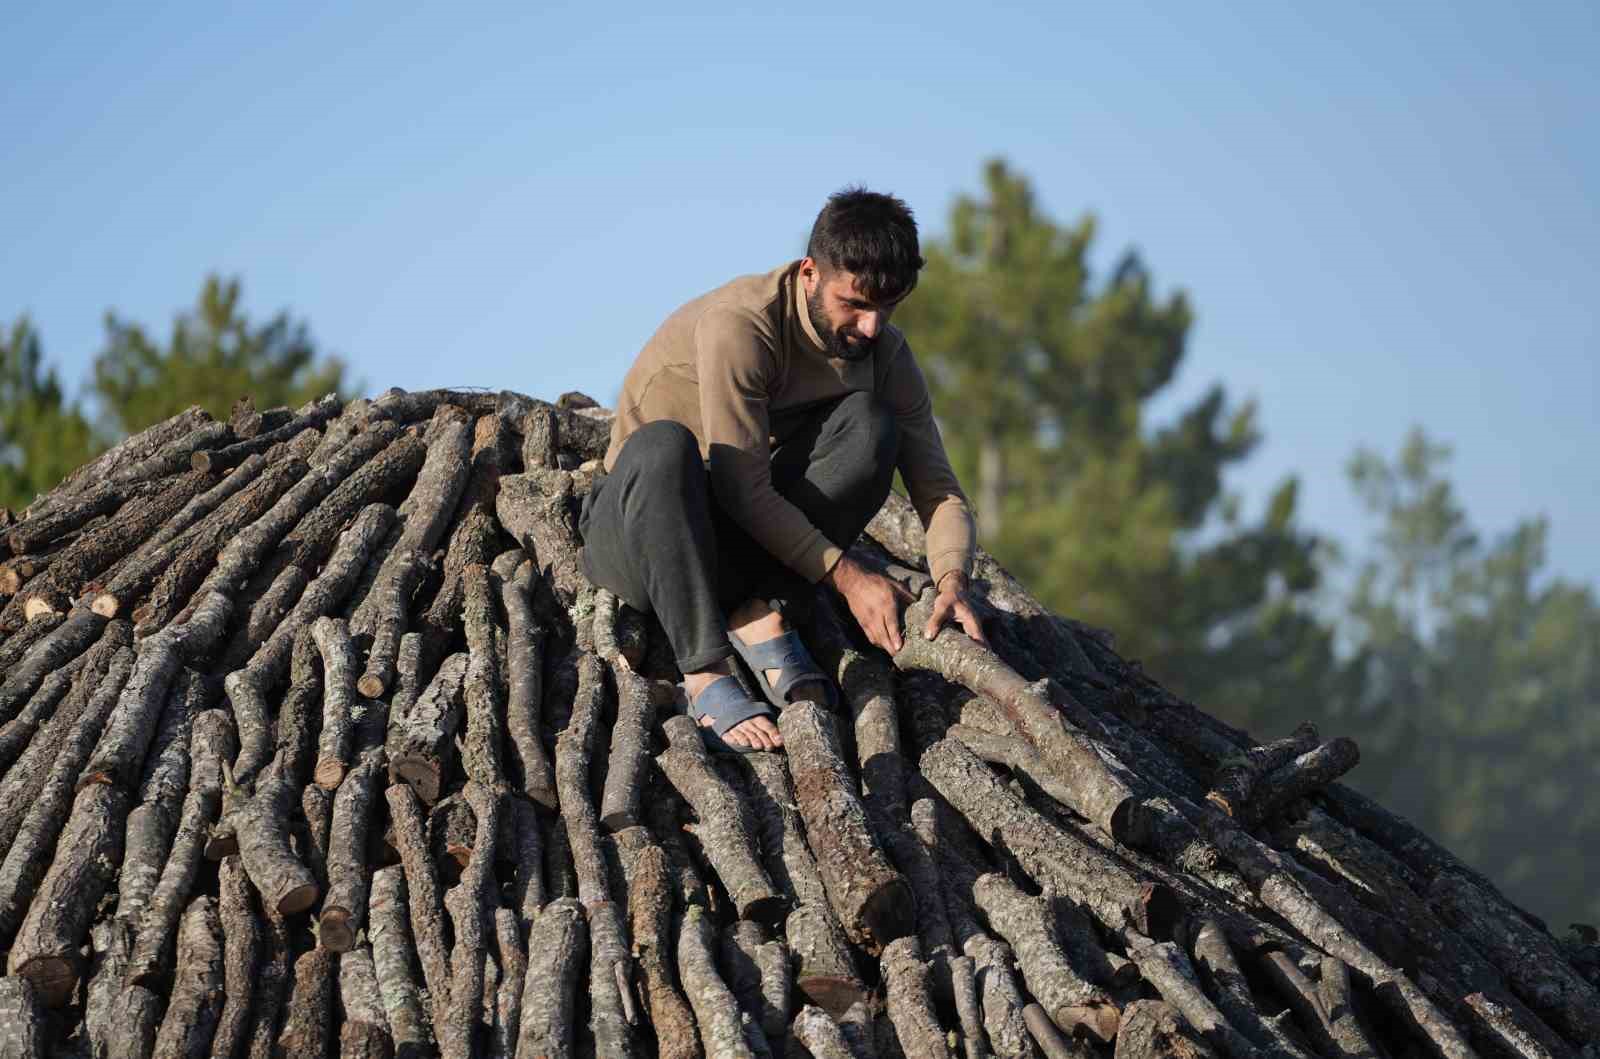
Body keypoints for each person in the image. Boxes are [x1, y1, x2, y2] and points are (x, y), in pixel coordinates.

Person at [577, 187, 985, 753]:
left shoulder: (884, 354)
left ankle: (759, 610)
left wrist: (951, 581)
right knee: (664, 447)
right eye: (855, 303)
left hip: (736, 543)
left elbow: (939, 490)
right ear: (811, 272)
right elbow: (742, 487)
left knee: (871, 424)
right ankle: (706, 670)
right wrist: (850, 577)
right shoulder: (742, 325)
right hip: (642, 539)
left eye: (887, 308)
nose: (871, 327)